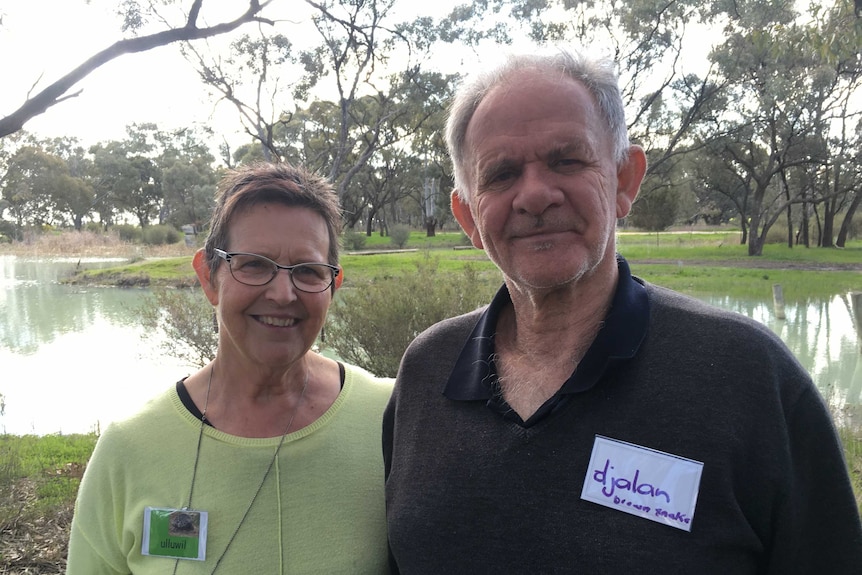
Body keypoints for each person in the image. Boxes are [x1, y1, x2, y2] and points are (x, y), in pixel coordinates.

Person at [382, 48, 862, 573]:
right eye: (500, 174)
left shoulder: (747, 376)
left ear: (624, 179)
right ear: (467, 215)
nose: (536, 195)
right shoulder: (427, 370)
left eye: (567, 160)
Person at [68, 162, 393, 574]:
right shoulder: (130, 448)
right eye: (254, 264)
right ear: (208, 276)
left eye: (308, 271)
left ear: (333, 287)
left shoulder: (393, 419)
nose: (282, 293)